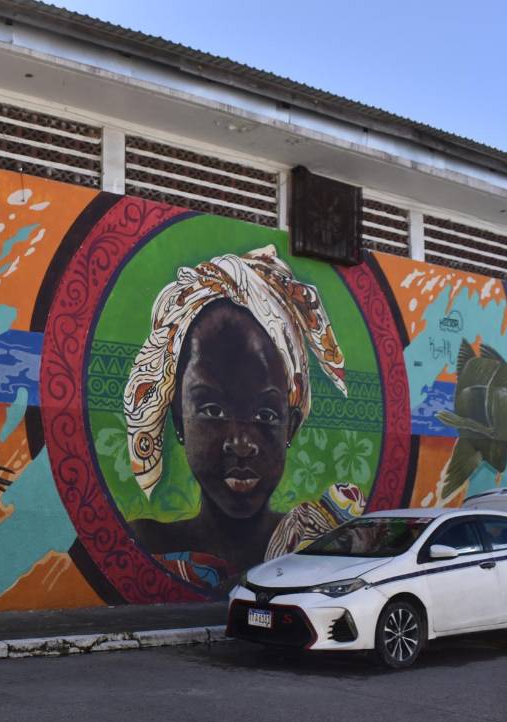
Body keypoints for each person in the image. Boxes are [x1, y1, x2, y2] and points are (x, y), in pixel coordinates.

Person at [122, 244, 363, 588]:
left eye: (265, 415)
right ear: (177, 418)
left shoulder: (315, 545)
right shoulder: (149, 545)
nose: (241, 444)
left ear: (291, 427)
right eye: (212, 410)